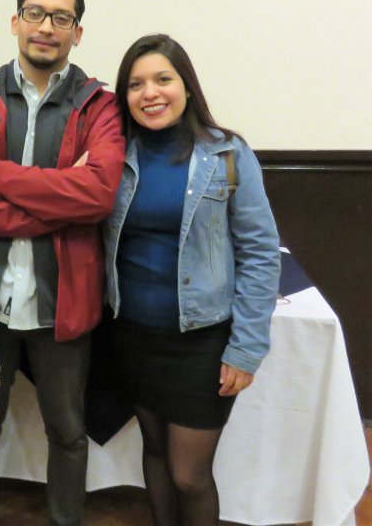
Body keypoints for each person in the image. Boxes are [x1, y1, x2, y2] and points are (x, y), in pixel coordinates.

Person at [0, 0, 125, 525]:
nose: (46, 27)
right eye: (35, 13)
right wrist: (58, 202)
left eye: (61, 18)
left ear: (77, 33)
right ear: (15, 22)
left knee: (68, 431)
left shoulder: (100, 107)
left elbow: (98, 194)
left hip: (61, 305)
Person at [103, 33, 280, 525]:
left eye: (162, 79)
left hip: (201, 340)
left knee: (189, 474)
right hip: (133, 333)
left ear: (186, 85)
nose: (150, 93)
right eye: (135, 84)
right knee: (155, 452)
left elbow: (261, 253)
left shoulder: (226, 153)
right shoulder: (114, 155)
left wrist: (246, 348)